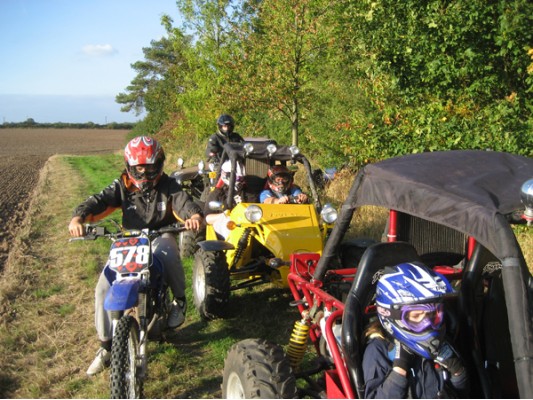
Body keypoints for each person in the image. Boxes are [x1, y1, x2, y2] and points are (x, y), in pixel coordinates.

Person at [68, 136, 204, 376]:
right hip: (129, 240)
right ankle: (105, 347)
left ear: (159, 163)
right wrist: (79, 217)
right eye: (138, 167)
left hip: (161, 234)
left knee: (169, 251)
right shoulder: (122, 184)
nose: (144, 172)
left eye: (149, 166)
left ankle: (179, 302)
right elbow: (98, 200)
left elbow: (184, 201)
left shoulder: (169, 184)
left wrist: (193, 215)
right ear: (130, 166)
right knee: (103, 287)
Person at [362, 262, 469, 398]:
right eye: (417, 315)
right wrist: (400, 368)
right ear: (391, 315)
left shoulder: (441, 342)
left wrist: (457, 371)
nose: (427, 323)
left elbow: (463, 393)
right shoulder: (379, 349)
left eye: (432, 315)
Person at [205, 159, 258, 239]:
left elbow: (254, 207)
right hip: (225, 228)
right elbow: (207, 218)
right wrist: (224, 216)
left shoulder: (248, 192)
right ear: (227, 176)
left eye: (242, 178)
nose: (241, 181)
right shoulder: (217, 193)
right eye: (238, 178)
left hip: (246, 226)